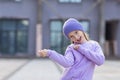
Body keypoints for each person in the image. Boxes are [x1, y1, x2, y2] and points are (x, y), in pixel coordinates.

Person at [38, 18, 105, 80]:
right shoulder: (71, 48)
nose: (76, 37)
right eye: (71, 36)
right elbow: (67, 63)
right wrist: (50, 53)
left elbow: (100, 61)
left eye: (76, 32)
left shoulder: (94, 45)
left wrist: (82, 50)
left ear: (81, 30)